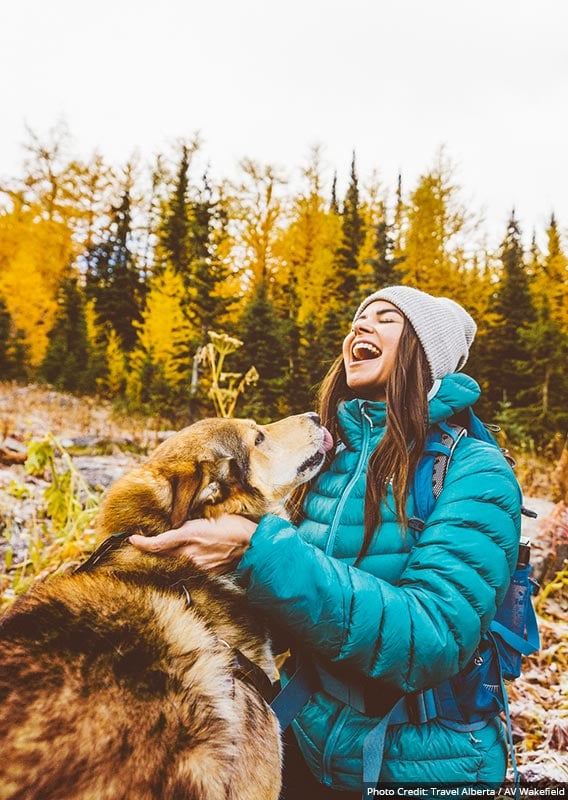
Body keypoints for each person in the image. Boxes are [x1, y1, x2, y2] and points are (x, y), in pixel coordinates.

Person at [130, 286, 522, 797]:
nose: (360, 327)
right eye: (357, 318)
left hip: (426, 765)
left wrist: (256, 549)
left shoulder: (476, 473)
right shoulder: (327, 461)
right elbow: (284, 598)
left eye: (385, 319)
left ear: (427, 351)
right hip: (303, 743)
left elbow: (431, 639)